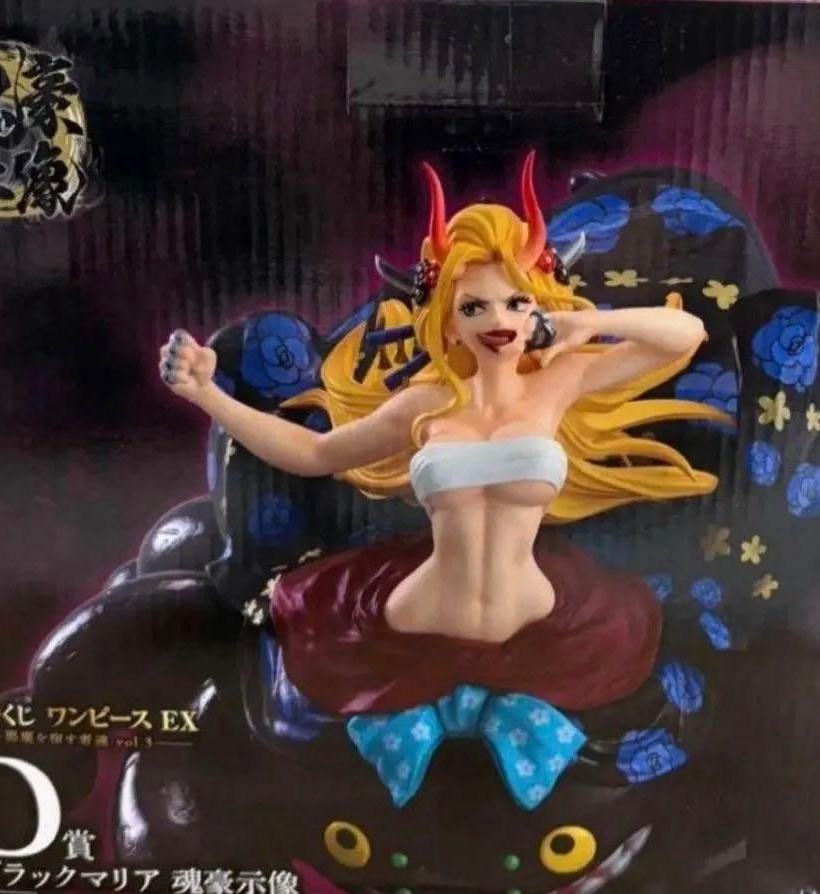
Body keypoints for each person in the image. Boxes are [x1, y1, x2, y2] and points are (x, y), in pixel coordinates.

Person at [159, 152, 727, 806]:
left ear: (538, 303)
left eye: (515, 301)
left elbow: (685, 335)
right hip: (410, 623)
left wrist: (587, 323)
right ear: (447, 318)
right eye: (475, 306)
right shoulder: (425, 402)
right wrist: (209, 396)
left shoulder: (558, 383)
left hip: (542, 631)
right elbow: (316, 454)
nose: (498, 321)